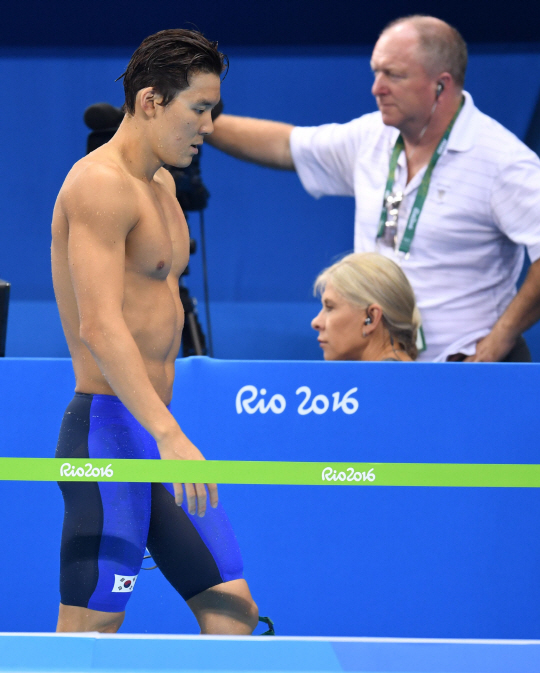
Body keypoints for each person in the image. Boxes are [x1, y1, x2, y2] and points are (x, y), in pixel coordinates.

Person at [51, 29, 258, 635]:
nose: (210, 125)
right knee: (89, 634)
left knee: (233, 613)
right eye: (199, 108)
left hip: (154, 430)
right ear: (150, 102)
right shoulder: (99, 184)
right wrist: (169, 434)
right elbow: (100, 325)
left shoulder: (163, 185)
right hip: (108, 431)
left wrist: (164, 431)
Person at [207, 15, 540, 363]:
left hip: (468, 372)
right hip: (385, 373)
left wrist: (501, 339)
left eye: (393, 75)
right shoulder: (371, 139)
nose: (376, 88)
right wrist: (199, 118)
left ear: (441, 85)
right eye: (376, 72)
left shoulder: (502, 161)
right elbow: (284, 146)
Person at [312, 253, 419, 361]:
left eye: (330, 308)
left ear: (371, 318)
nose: (315, 322)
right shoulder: (408, 375)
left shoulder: (382, 377)